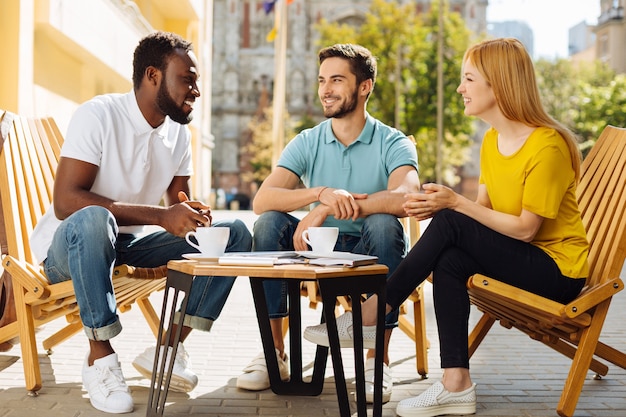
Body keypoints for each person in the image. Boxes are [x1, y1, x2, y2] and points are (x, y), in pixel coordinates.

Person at [303, 37, 590, 416]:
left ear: (498, 83)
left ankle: (371, 312)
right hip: (521, 258)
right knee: (451, 256)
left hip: (556, 272)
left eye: (469, 79)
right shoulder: (493, 140)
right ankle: (456, 384)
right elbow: (482, 213)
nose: (460, 88)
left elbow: (525, 230)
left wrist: (453, 204)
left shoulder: (547, 146)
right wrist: (444, 207)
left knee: (453, 218)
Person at [30, 31, 252, 414]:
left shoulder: (178, 135)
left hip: (130, 245)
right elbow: (67, 201)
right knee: (94, 219)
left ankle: (168, 349)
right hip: (70, 248)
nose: (195, 90)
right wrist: (162, 217)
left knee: (234, 234)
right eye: (188, 79)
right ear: (153, 76)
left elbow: (177, 204)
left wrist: (193, 216)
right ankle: (100, 359)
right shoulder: (98, 115)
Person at [236, 43, 421, 404]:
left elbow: (405, 199)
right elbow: (263, 200)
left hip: (367, 253)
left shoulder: (392, 142)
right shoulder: (309, 140)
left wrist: (338, 205)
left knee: (385, 224)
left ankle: (376, 363)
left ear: (364, 86)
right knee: (270, 223)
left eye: (337, 80)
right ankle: (275, 352)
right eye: (322, 80)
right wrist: (319, 195)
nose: (326, 89)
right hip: (315, 250)